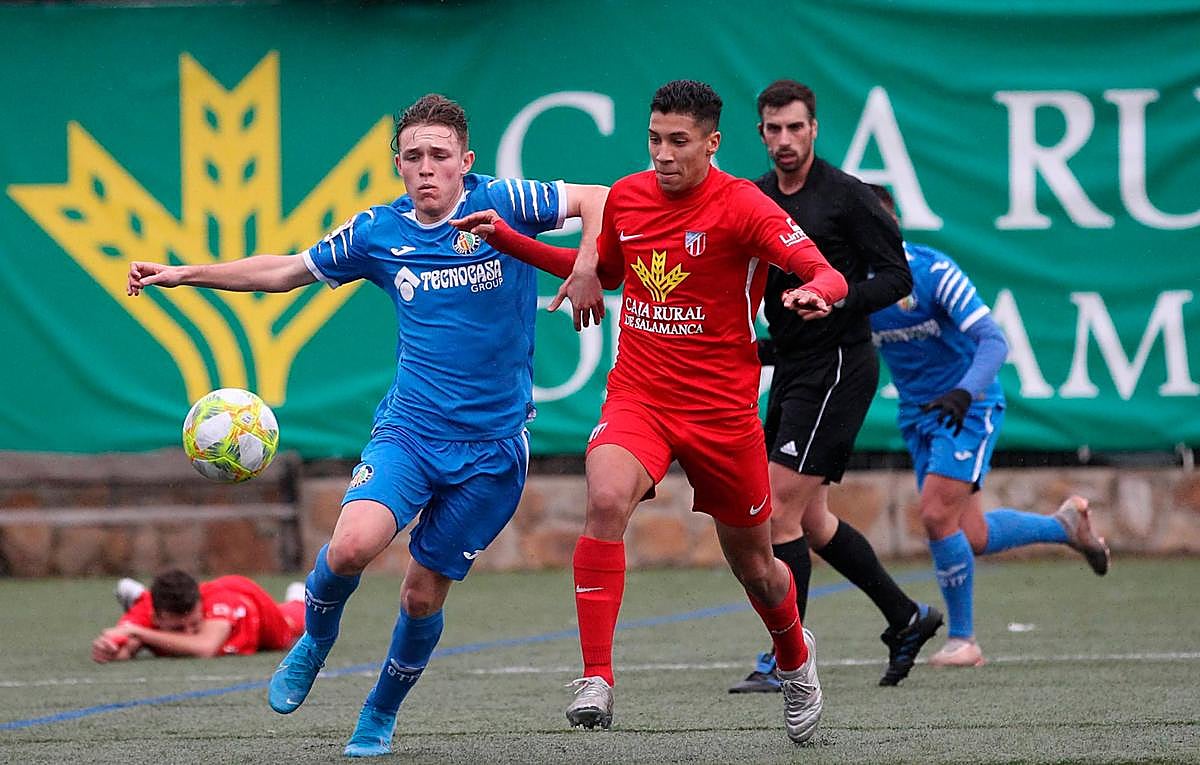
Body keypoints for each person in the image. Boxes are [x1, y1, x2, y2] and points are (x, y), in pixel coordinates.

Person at [127, 93, 608, 758]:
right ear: (399, 166)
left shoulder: (506, 202)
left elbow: (598, 197)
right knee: (351, 545)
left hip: (493, 452)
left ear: (465, 161)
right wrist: (185, 273)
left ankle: (379, 711)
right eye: (413, 157)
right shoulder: (378, 233)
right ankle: (315, 640)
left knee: (419, 593)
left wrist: (585, 262)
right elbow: (284, 270)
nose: (427, 167)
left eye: (441, 155)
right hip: (409, 432)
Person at [454, 80, 847, 744]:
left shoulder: (743, 206)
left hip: (722, 414)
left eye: (678, 142)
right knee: (605, 497)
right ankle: (596, 677)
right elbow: (607, 273)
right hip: (640, 394)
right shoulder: (629, 195)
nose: (662, 154)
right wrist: (509, 238)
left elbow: (820, 268)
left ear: (712, 144)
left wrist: (819, 292)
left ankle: (794, 657)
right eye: (654, 139)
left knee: (756, 565)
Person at [730, 78, 941, 693]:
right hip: (794, 367)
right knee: (812, 520)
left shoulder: (846, 196)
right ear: (761, 132)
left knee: (776, 511)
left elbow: (896, 277)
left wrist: (837, 297)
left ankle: (785, 659)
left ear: (814, 128)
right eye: (773, 129)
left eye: (796, 127)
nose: (785, 140)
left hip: (841, 365)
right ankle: (906, 617)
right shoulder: (757, 196)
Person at [866, 183, 1111, 667]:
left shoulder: (933, 271)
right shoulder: (853, 285)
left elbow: (993, 340)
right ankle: (1064, 527)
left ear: (895, 225)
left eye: (881, 224)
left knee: (936, 515)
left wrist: (965, 391)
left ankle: (964, 640)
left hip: (968, 406)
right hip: (919, 415)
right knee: (970, 534)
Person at [91, 570, 305, 663]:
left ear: (200, 604)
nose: (189, 632)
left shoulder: (222, 600)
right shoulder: (146, 612)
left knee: (298, 622)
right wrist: (110, 651)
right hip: (149, 611)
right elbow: (125, 647)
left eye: (195, 623)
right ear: (156, 617)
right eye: (178, 628)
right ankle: (139, 595)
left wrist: (138, 632)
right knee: (141, 612)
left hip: (254, 613)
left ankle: (297, 598)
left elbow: (205, 648)